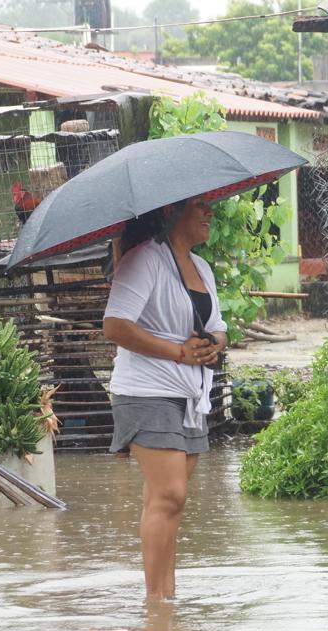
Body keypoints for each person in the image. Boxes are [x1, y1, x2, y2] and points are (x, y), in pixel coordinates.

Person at [103, 197, 227, 600]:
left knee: (167, 501)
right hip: (146, 391)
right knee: (170, 494)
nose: (211, 213)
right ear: (172, 211)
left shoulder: (201, 268)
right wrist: (177, 352)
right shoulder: (144, 260)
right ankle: (156, 604)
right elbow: (116, 325)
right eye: (201, 206)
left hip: (190, 394)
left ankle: (165, 597)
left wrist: (213, 346)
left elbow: (218, 328)